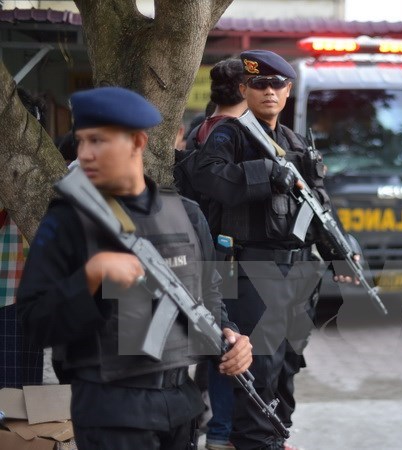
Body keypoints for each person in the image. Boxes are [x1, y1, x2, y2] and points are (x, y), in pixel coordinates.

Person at [17, 86, 252, 450]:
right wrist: (91, 276)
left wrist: (231, 334)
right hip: (111, 411)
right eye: (81, 142)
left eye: (98, 141)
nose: (85, 153)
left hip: (181, 406)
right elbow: (33, 322)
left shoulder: (186, 215)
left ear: (138, 142)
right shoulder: (67, 221)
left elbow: (209, 294)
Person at [189, 50, 355, 450]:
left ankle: (276, 435)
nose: (268, 92)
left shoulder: (291, 140)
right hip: (251, 268)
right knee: (259, 366)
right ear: (244, 89)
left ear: (288, 90)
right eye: (258, 85)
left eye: (276, 84)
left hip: (294, 272)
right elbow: (208, 179)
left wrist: (343, 249)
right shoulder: (230, 134)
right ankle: (253, 441)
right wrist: (267, 174)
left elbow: (318, 203)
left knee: (287, 364)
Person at [175, 57, 248, 450]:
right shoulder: (235, 134)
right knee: (227, 338)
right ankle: (220, 433)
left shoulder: (197, 129)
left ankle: (209, 424)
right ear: (242, 90)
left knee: (211, 336)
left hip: (194, 248)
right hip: (226, 254)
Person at [0, 88, 46, 389]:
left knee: (21, 391)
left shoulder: (42, 171)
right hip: (14, 293)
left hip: (22, 295)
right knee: (16, 388)